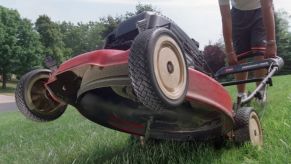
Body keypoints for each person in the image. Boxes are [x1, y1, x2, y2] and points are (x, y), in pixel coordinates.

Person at [218, 0, 277, 101]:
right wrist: (229, 51)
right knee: (239, 56)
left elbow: (267, 6)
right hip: (237, 14)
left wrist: (271, 42)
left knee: (260, 53)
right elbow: (225, 17)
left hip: (261, 10)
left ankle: (261, 93)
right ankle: (241, 95)